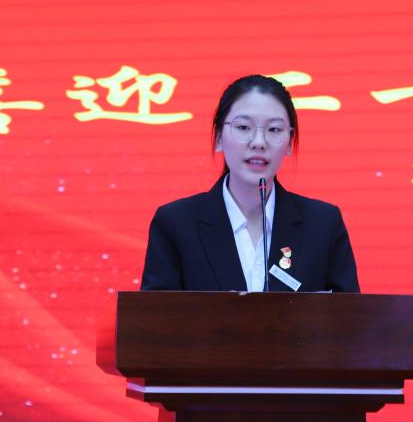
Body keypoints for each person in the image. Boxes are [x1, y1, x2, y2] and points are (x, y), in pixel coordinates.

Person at [140, 75, 359, 292]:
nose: (258, 142)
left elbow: (349, 313)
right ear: (218, 137)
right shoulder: (176, 224)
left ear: (290, 142)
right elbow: (155, 313)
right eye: (244, 127)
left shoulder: (323, 225)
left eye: (274, 129)